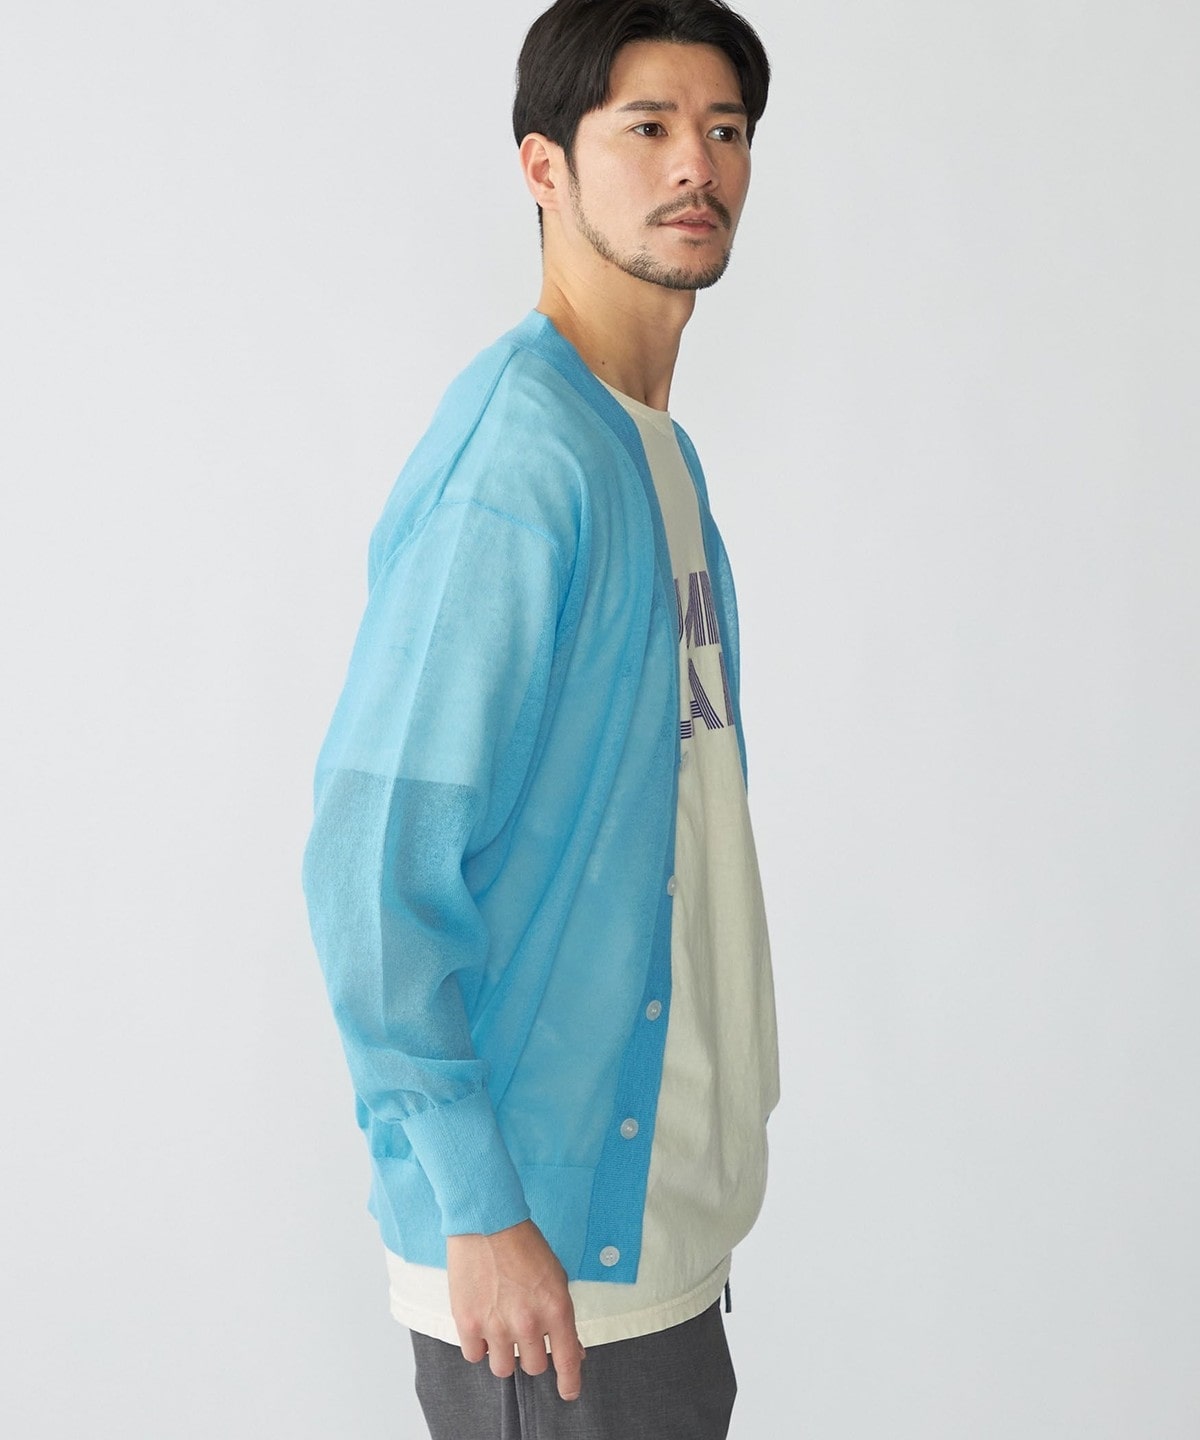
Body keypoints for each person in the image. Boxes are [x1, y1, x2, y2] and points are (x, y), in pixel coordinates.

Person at [302, 2, 779, 1435]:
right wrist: (479, 1204)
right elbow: (370, 870)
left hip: (653, 1233)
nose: (695, 163)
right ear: (543, 167)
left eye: (725, 129)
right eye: (648, 126)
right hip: (545, 1268)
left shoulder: (655, 451)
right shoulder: (520, 459)